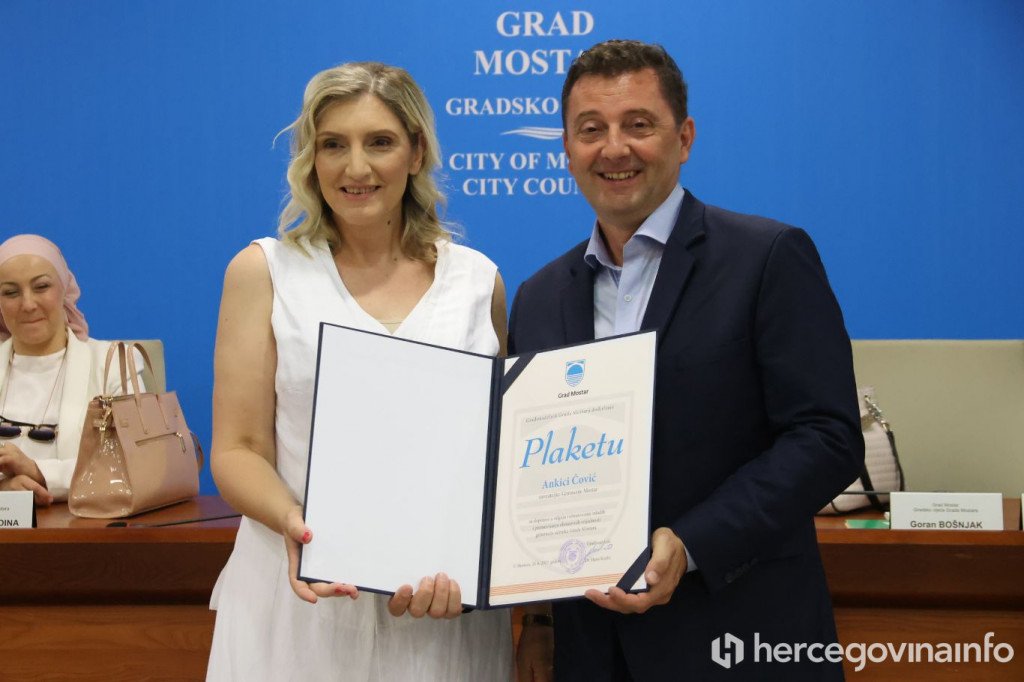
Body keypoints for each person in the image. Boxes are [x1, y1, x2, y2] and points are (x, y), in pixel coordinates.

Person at [510, 40, 864, 680]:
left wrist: (691, 542)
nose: (614, 148)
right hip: (593, 652)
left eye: (638, 125)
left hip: (741, 639)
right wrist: (537, 620)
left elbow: (826, 437)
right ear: (566, 148)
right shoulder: (537, 298)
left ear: (684, 137)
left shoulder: (768, 258)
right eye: (591, 130)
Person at [206, 62, 514, 681]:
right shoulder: (264, 272)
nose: (356, 168)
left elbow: (494, 456)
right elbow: (237, 449)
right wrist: (294, 525)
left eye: (379, 142)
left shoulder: (478, 281)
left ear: (417, 152)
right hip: (300, 604)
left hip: (440, 608)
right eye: (333, 145)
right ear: (310, 158)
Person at [0, 234, 143, 506]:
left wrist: (39, 472)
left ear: (64, 290)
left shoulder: (113, 364)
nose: (27, 304)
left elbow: (132, 464)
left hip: (89, 524)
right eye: (10, 292)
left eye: (41, 287)